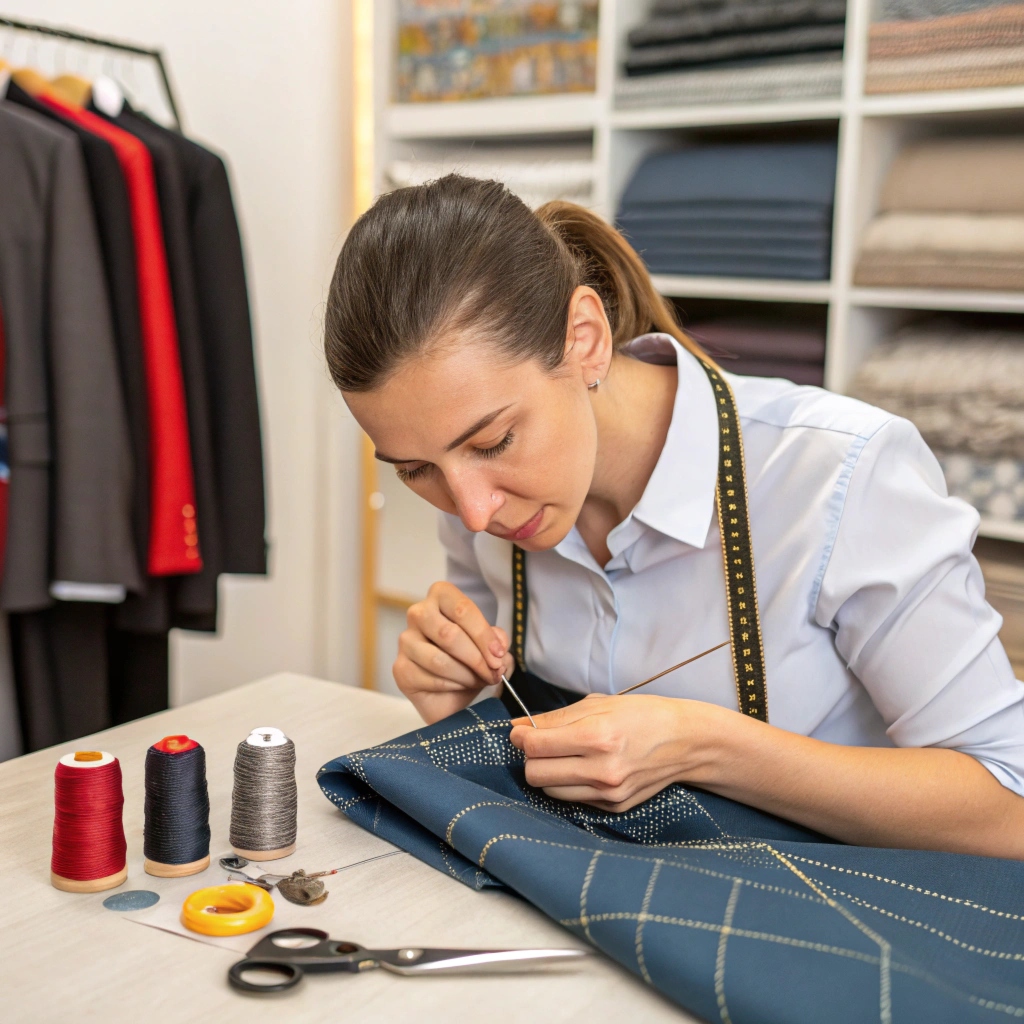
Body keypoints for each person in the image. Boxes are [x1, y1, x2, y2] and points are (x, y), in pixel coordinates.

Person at [324, 174, 1024, 859]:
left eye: (494, 442)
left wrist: (708, 747)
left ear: (586, 340)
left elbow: (1009, 807)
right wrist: (456, 696)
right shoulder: (486, 494)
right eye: (415, 470)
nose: (472, 513)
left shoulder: (836, 477)